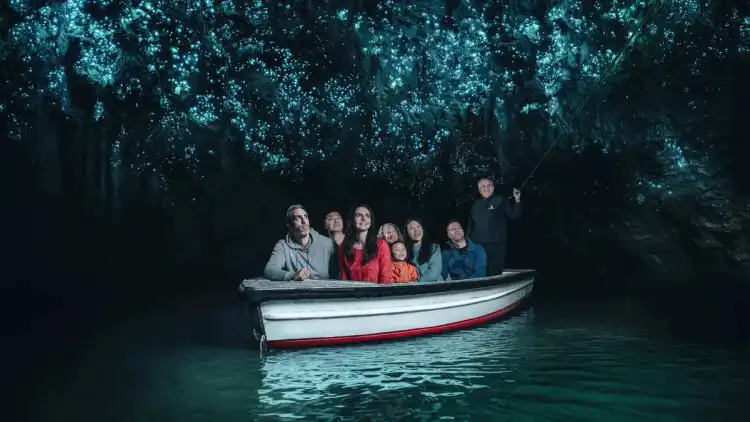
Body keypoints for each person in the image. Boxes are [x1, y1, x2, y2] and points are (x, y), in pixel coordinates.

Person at [264, 205, 337, 281]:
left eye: (305, 217)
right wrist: (293, 275)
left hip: (324, 291)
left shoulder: (328, 243)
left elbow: (339, 273)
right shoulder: (283, 245)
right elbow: (270, 270)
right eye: (298, 218)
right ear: (290, 227)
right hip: (298, 292)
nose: (304, 222)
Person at [467, 177, 521, 275]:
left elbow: (514, 215)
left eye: (489, 185)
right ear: (479, 190)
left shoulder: (500, 199)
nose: (486, 188)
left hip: (496, 244)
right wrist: (467, 241)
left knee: (494, 271)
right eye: (483, 186)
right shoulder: (475, 204)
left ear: (493, 187)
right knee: (478, 270)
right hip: (478, 244)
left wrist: (517, 200)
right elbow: (470, 225)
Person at [339, 205, 393, 283]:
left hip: (375, 293)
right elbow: (343, 278)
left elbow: (386, 278)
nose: (364, 219)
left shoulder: (381, 244)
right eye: (358, 215)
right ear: (352, 220)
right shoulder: (343, 247)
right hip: (352, 294)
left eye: (367, 215)